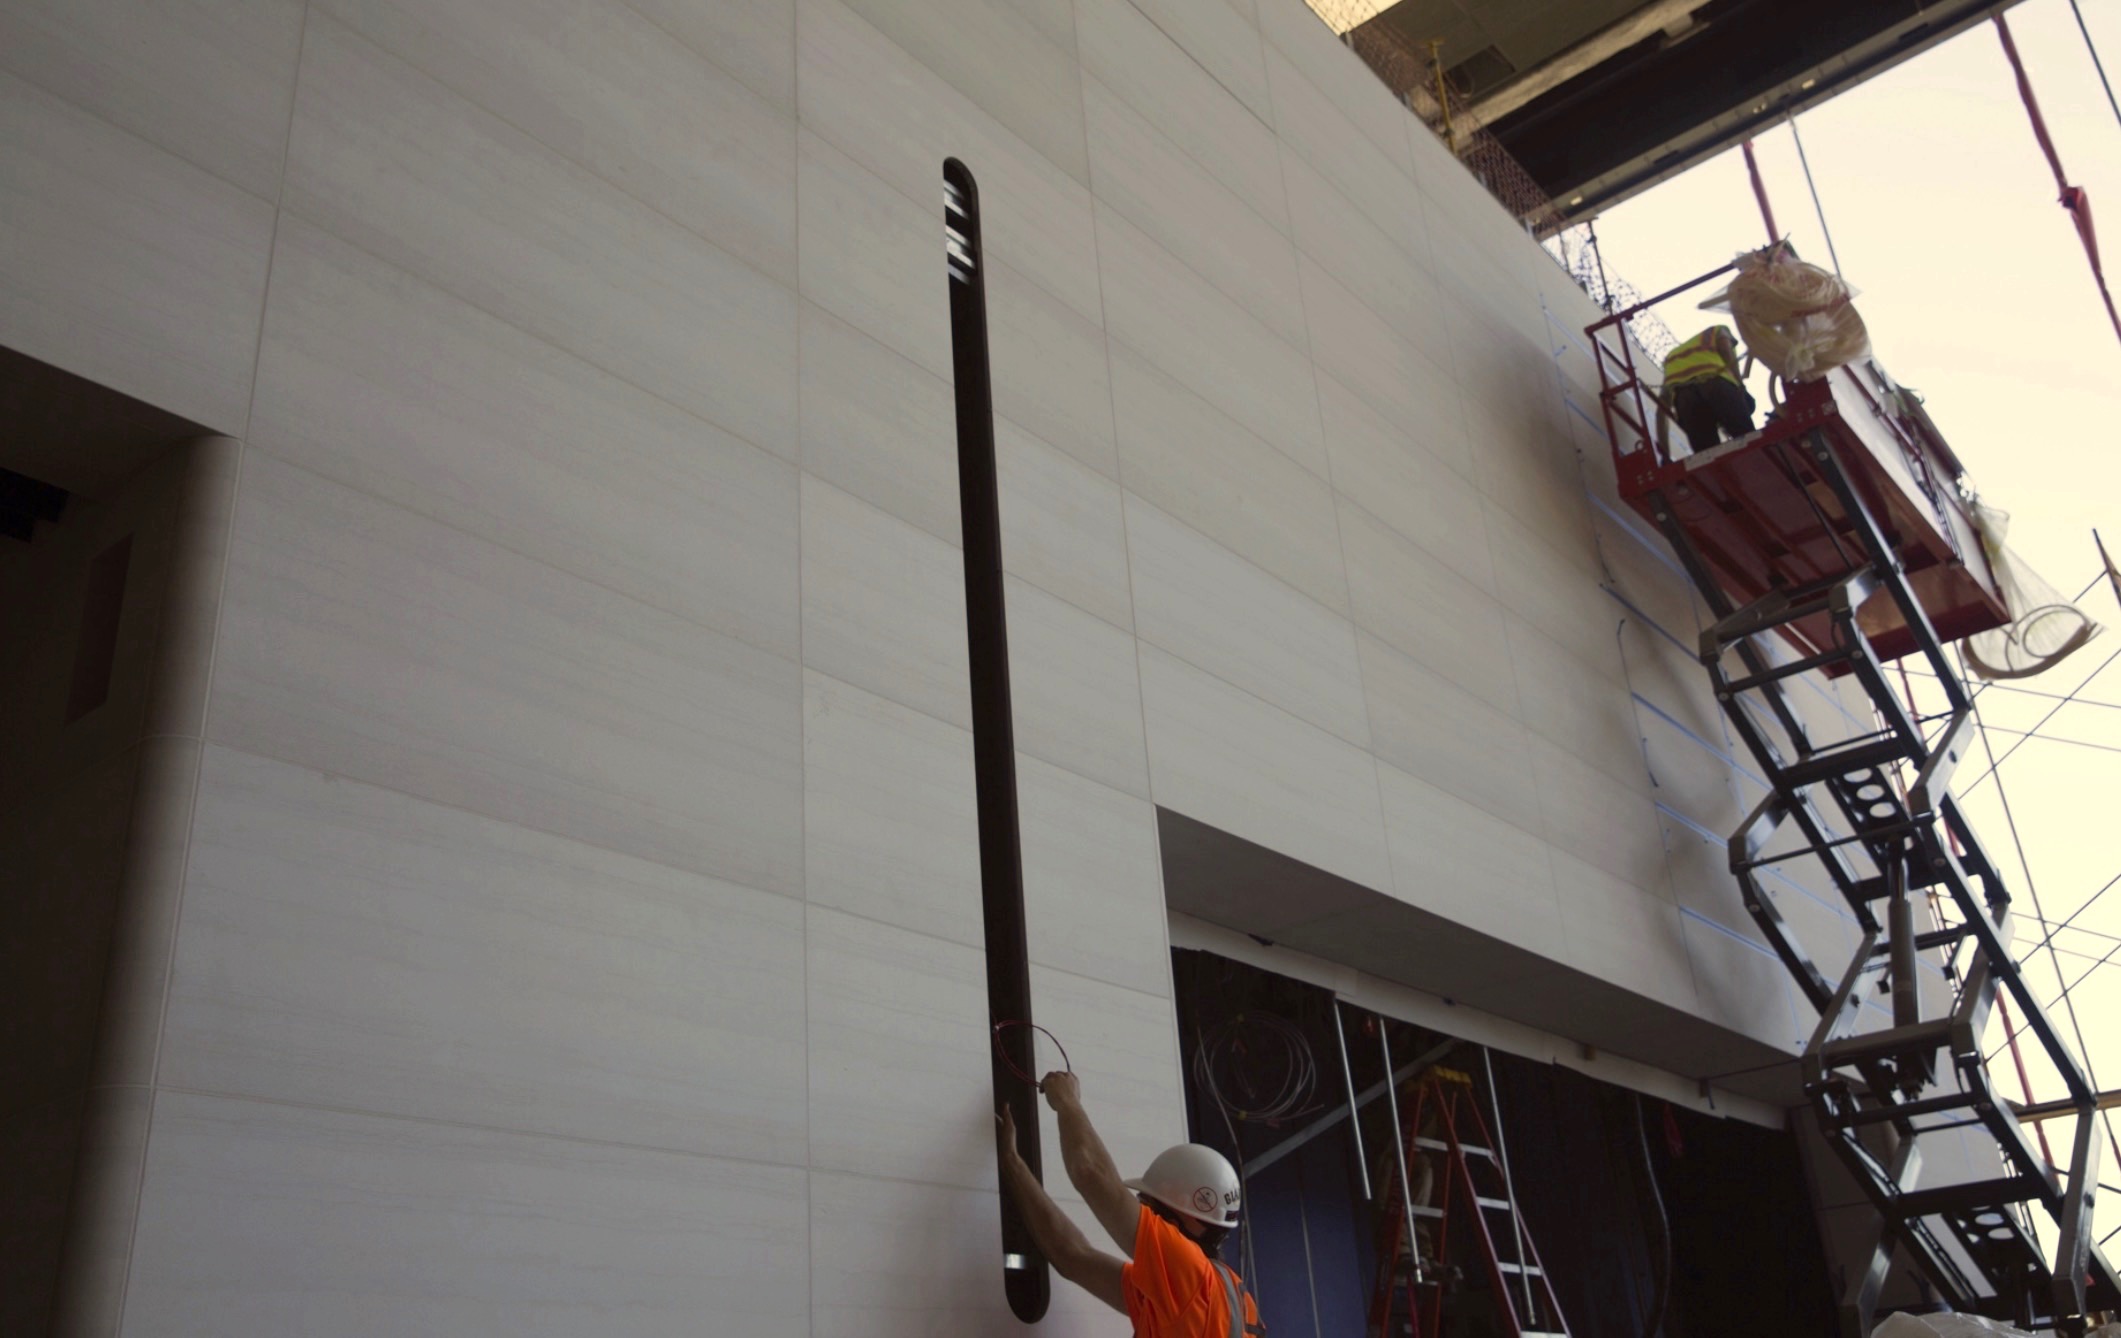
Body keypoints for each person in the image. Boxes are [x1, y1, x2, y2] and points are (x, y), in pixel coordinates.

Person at [998, 1071, 1264, 1336]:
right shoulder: (1186, 1293)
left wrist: (1067, 1100)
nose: (1139, 1213)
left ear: (1188, 1218)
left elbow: (1089, 1172)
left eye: (1147, 1206)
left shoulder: (1189, 1274)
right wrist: (1012, 1163)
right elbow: (1072, 1255)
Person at [1659, 323, 1755, 453]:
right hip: (1716, 385)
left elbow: (1661, 411)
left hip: (1685, 400)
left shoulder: (1672, 357)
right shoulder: (1718, 330)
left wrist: (1664, 453)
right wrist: (1740, 384)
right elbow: (1725, 348)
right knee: (1750, 440)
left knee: (1708, 455)